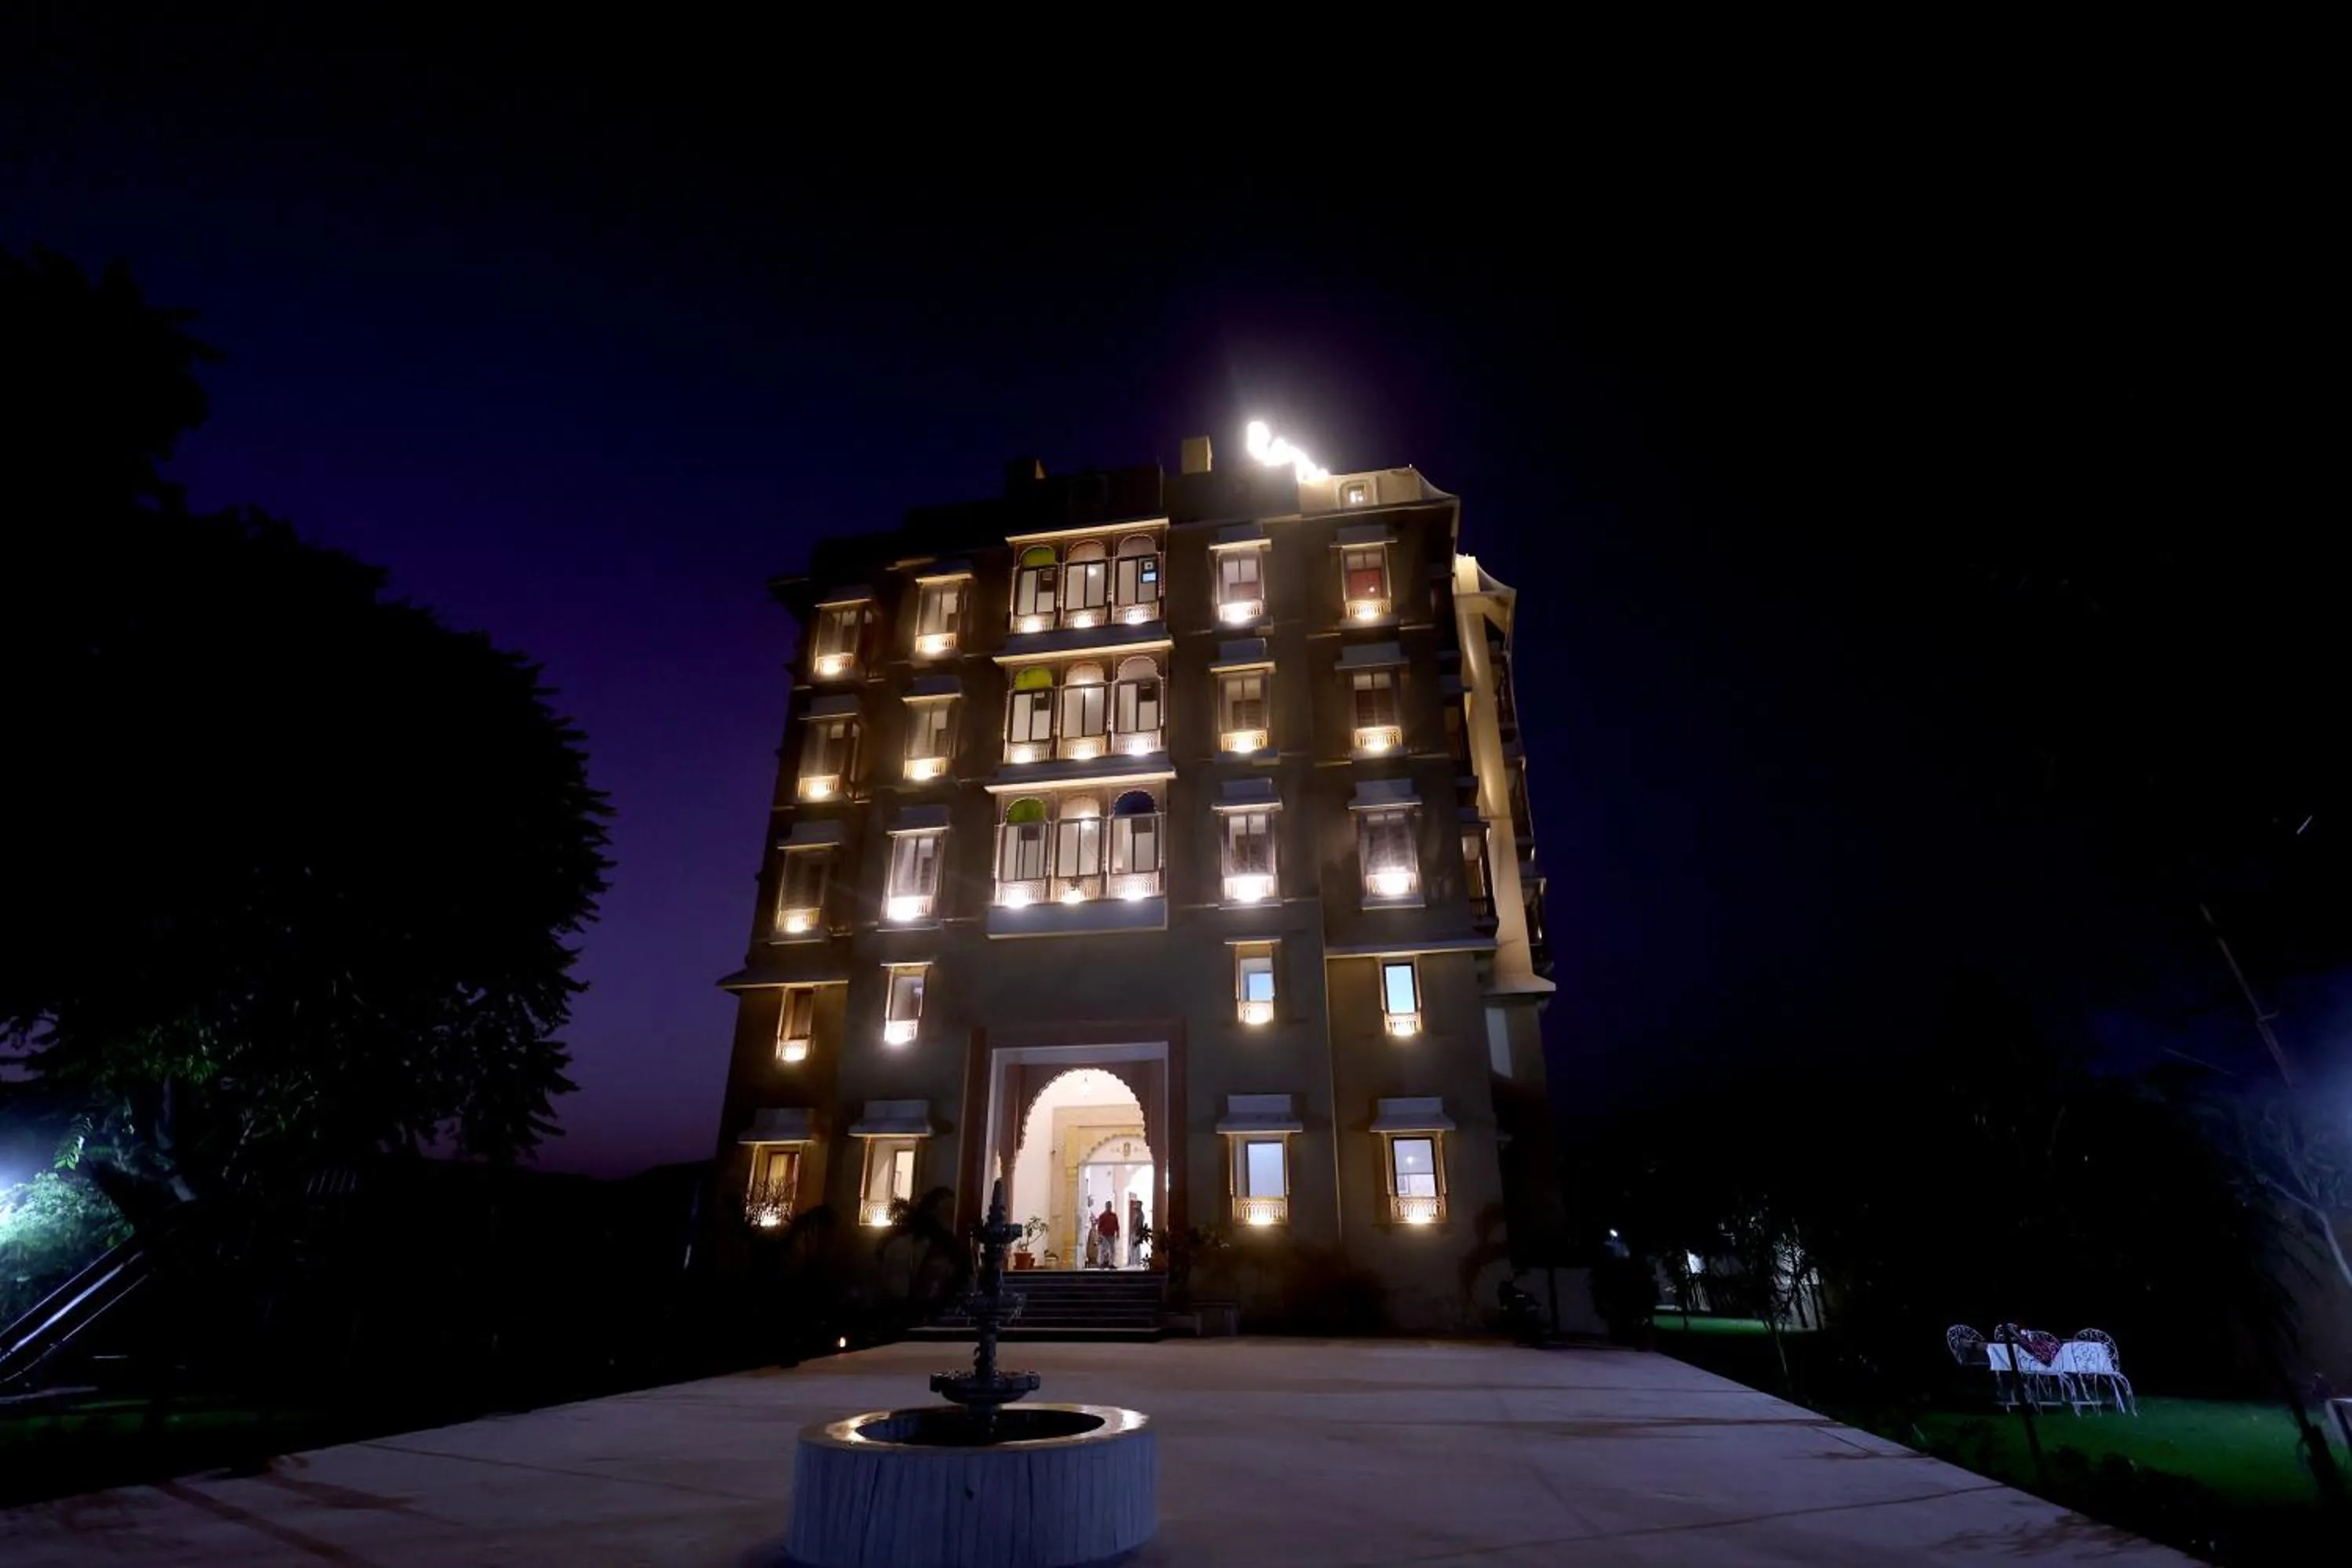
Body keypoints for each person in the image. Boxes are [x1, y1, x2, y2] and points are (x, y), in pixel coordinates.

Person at [1094, 1200, 1120, 1269]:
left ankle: (1111, 1264)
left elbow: (1117, 1225)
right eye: (1108, 1206)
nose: (1109, 1207)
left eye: (1110, 1206)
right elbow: (1099, 1226)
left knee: (1112, 1250)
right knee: (1103, 1249)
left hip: (1112, 1235)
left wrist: (1118, 1233)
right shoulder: (1102, 1216)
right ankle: (1101, 1263)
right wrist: (1099, 1235)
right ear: (1106, 1206)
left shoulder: (1114, 1215)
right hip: (1104, 1235)